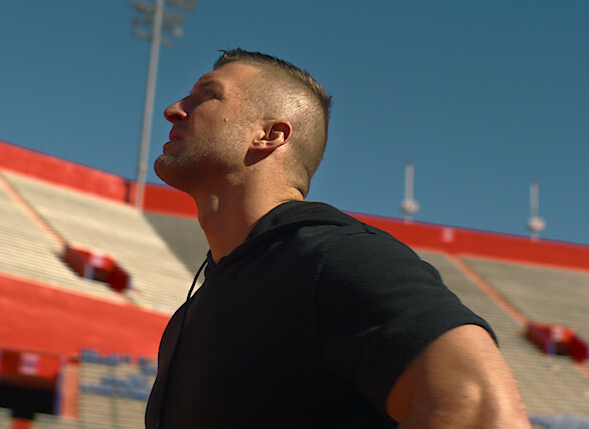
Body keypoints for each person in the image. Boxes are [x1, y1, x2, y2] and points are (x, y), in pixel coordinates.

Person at [145, 49, 529, 428]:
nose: (175, 109)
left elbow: (479, 407)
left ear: (270, 135)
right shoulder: (189, 317)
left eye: (208, 95)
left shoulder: (336, 257)